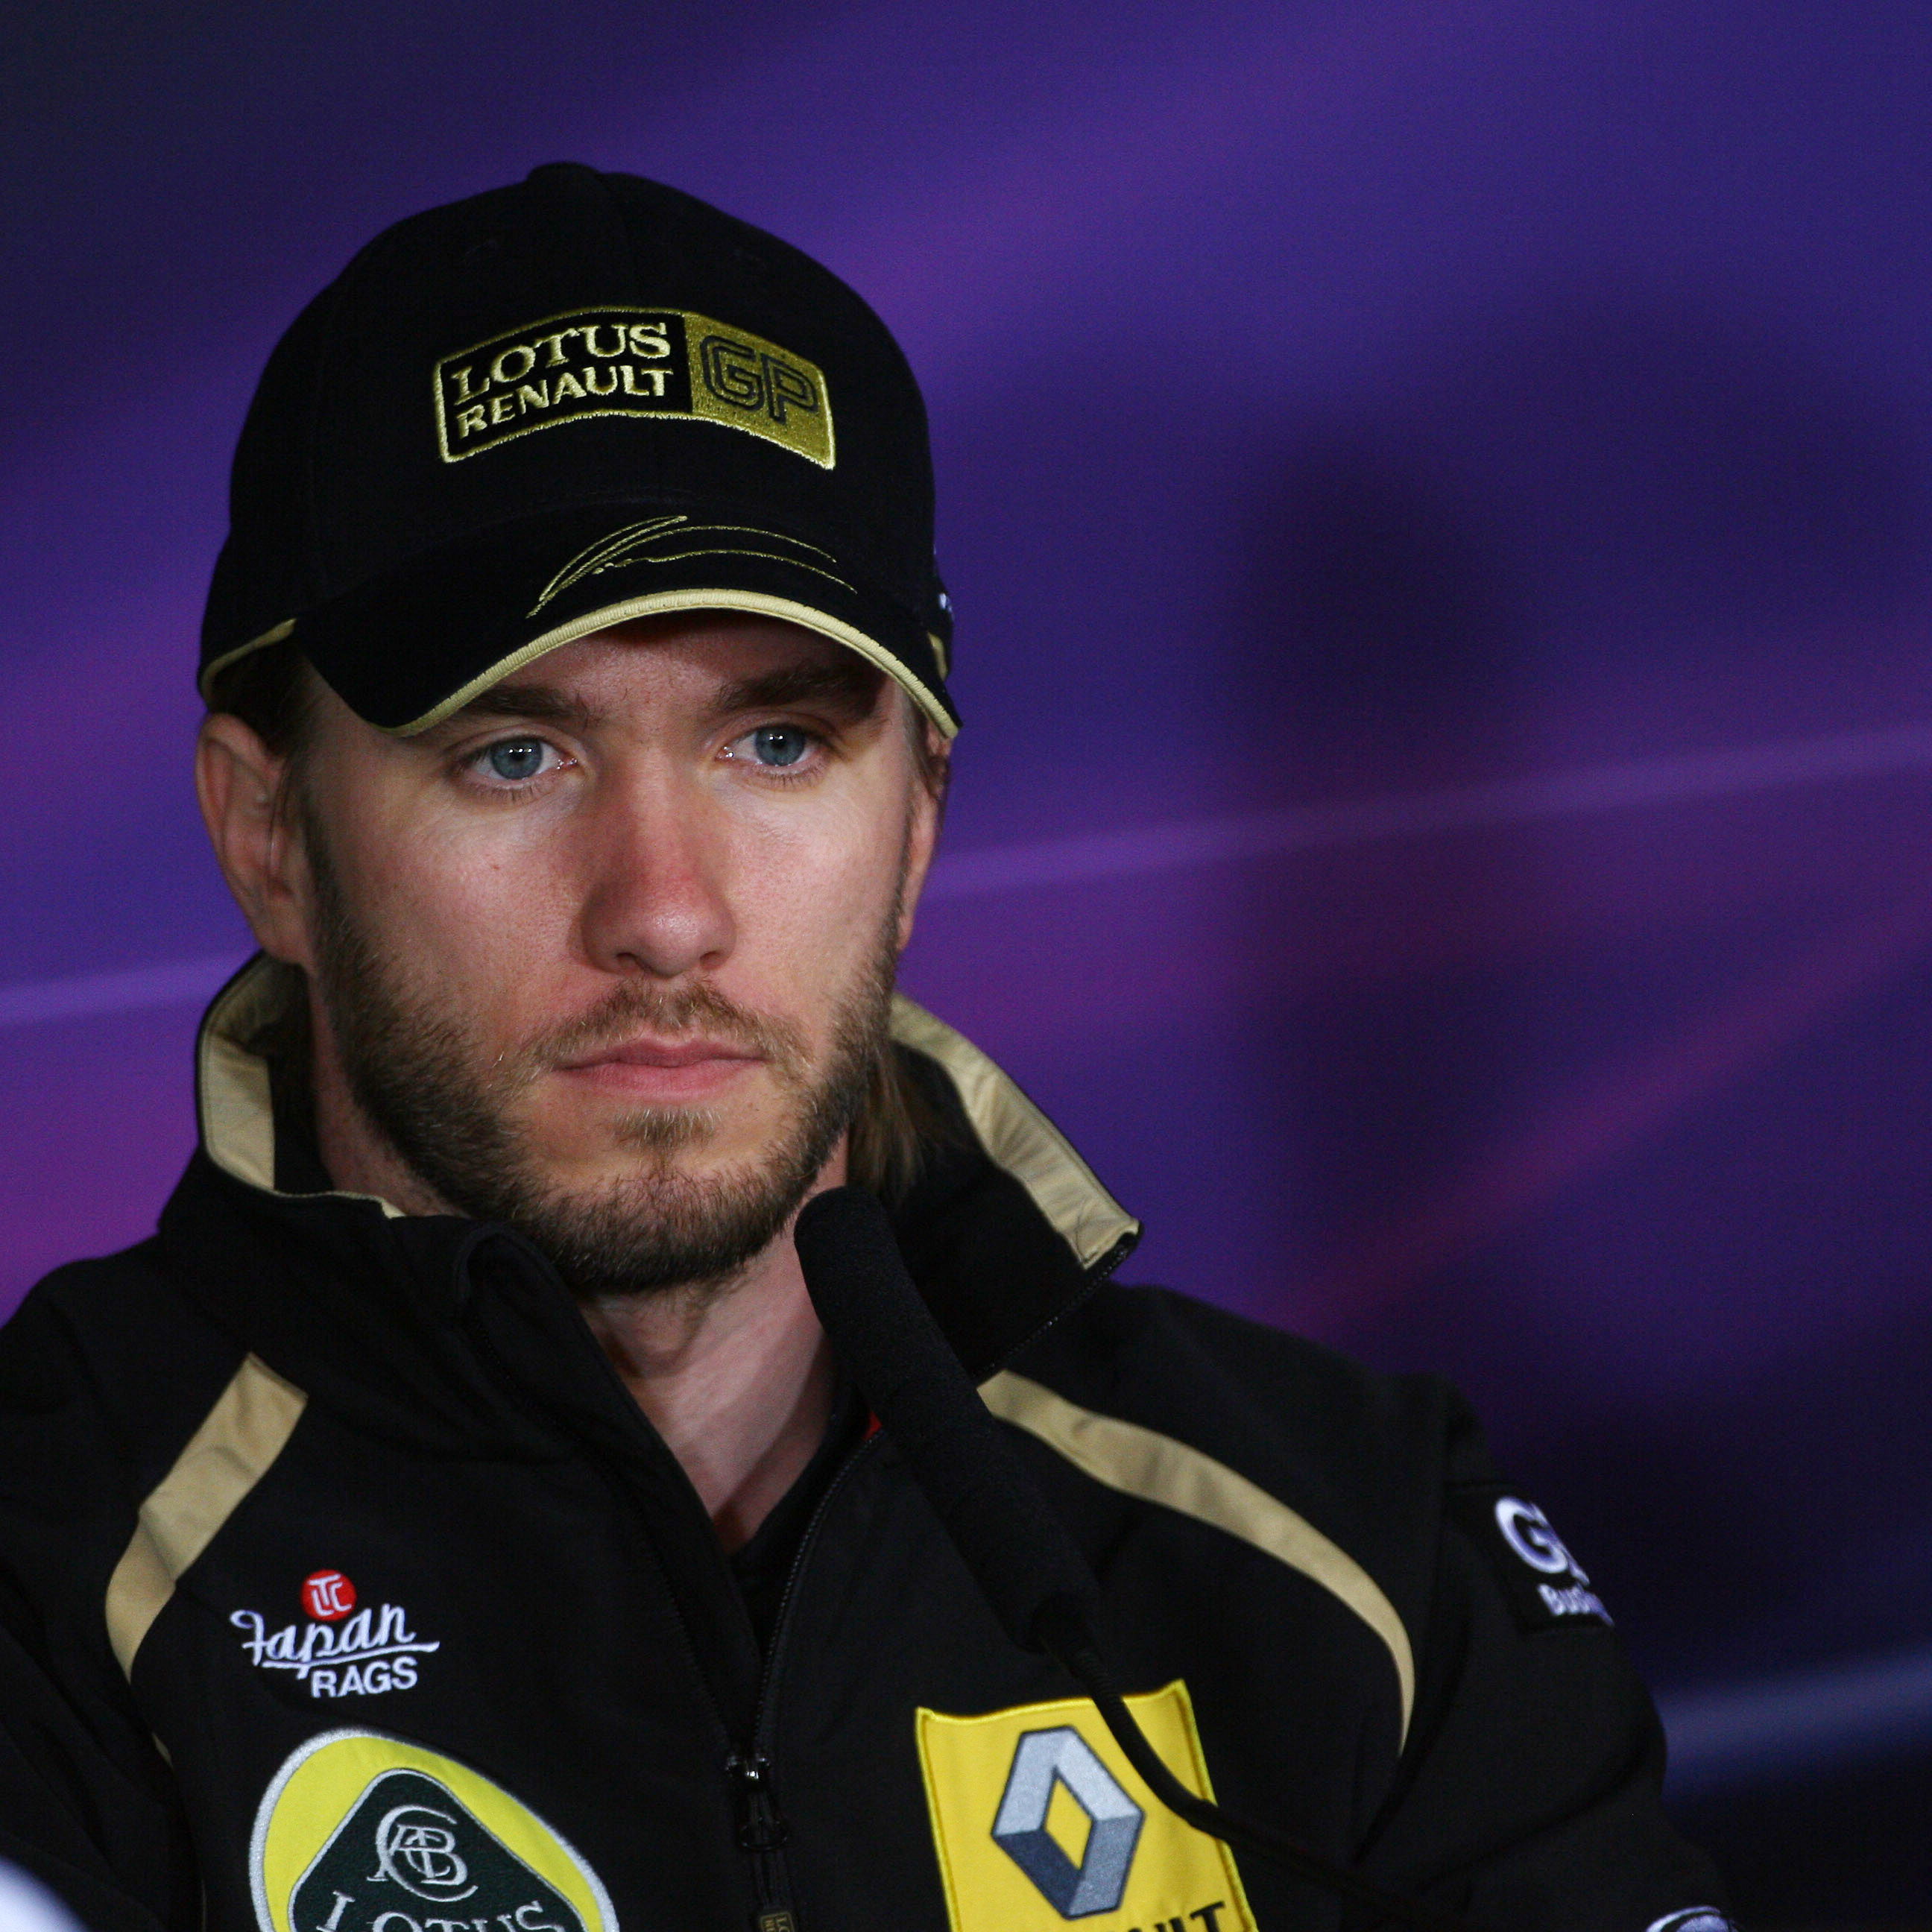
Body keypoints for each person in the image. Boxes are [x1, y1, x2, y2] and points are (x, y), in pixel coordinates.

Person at [0, 164, 1733, 1932]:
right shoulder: (49, 1577)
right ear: (269, 836)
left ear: (915, 829)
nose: (666, 913)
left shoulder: (1355, 1546)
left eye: (777, 746)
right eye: (515, 754)